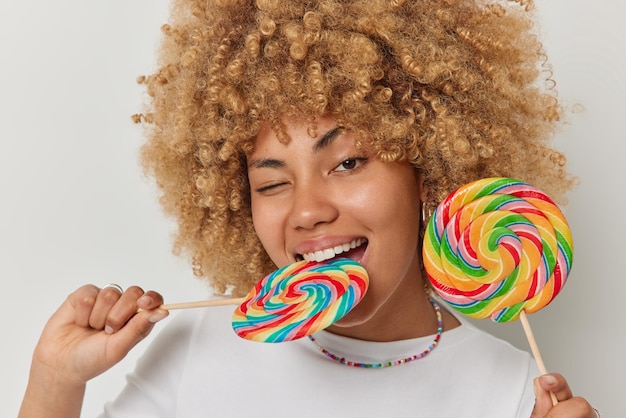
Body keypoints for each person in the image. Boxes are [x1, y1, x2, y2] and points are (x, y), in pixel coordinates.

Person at [19, 0, 599, 417]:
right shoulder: (195, 346)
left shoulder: (520, 395)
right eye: (271, 183)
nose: (307, 212)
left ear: (429, 172)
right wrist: (54, 383)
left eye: (347, 163)